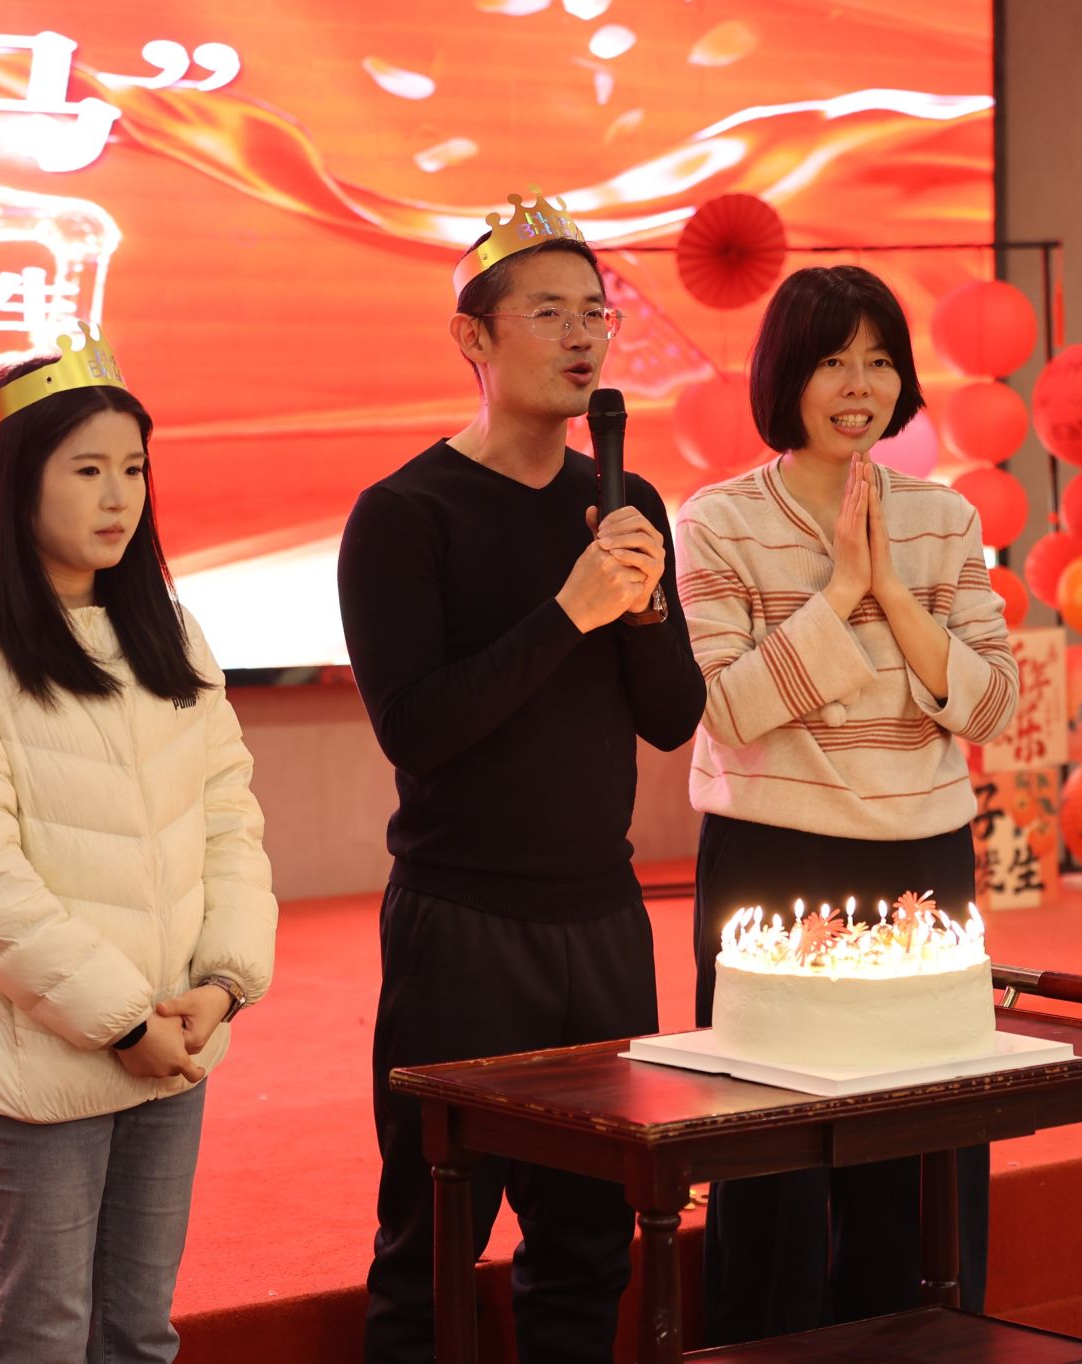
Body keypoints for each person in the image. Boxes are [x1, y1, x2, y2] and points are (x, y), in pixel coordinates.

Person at [337, 193, 708, 1362]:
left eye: (594, 311)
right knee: (432, 1236)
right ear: (473, 337)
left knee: (590, 1241)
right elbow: (417, 728)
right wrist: (566, 611)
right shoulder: (404, 514)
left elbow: (671, 719)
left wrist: (643, 611)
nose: (581, 334)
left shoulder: (625, 502)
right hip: (463, 922)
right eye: (547, 312)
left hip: (601, 920)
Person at [0, 327, 278, 1364]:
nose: (119, 497)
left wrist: (222, 983)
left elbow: (229, 818)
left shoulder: (169, 632)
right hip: (37, 1056)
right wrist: (119, 1019)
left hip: (173, 1040)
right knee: (41, 1339)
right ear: (19, 482)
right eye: (87, 469)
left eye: (134, 469)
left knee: (138, 1335)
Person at [673, 266, 1020, 1342]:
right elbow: (725, 708)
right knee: (770, 1168)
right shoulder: (718, 520)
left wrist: (891, 594)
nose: (858, 385)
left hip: (922, 861)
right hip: (774, 861)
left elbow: (995, 702)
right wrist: (834, 594)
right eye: (831, 361)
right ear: (785, 376)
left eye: (878, 360)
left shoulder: (944, 517)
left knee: (920, 1160)